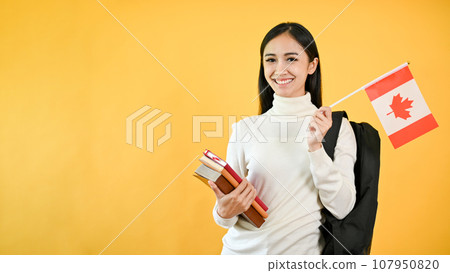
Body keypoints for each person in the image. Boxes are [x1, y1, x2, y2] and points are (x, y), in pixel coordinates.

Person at [207, 22, 357, 255]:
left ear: (312, 65)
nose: (280, 69)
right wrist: (223, 212)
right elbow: (227, 213)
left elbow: (342, 208)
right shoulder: (245, 129)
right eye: (271, 60)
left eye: (291, 59)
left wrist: (316, 148)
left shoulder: (336, 128)